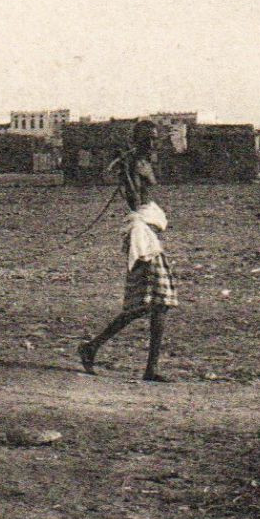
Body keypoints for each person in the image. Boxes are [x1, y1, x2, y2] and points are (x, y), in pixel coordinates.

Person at [78, 120, 178, 382]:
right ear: (139, 140)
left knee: (149, 304)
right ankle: (145, 367)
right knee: (158, 302)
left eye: (156, 138)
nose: (154, 143)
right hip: (141, 232)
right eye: (150, 138)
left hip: (147, 230)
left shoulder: (142, 162)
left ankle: (93, 348)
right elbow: (134, 201)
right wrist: (129, 174)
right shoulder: (133, 163)